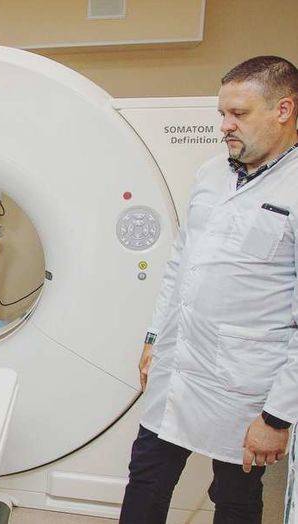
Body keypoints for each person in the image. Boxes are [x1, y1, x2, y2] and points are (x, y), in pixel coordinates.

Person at [121, 55, 298, 523]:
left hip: (242, 383)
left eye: (238, 114)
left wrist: (278, 417)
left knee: (235, 499)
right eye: (222, 113)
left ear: (283, 109)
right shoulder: (211, 174)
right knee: (146, 477)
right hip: (178, 363)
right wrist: (154, 336)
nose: (225, 126)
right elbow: (181, 263)